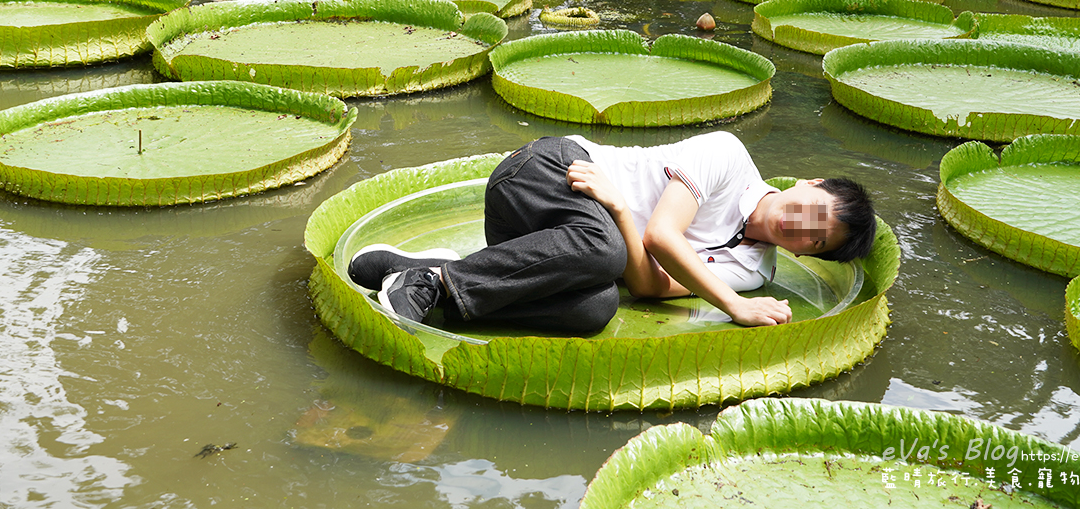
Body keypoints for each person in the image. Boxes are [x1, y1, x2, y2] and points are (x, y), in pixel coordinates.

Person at [347, 131, 876, 335]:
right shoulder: (729, 157)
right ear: (808, 183)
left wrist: (621, 209)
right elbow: (663, 239)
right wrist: (733, 308)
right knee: (604, 252)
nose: (802, 229)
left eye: (818, 240)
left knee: (597, 307)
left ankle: (425, 276)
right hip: (549, 172)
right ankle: (433, 286)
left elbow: (646, 287)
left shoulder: (753, 270)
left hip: (555, 243)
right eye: (814, 211)